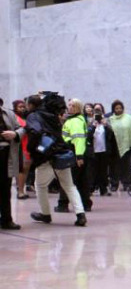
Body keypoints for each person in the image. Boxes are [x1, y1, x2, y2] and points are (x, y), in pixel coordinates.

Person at [26, 92, 87, 227]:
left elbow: (35, 132)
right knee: (69, 186)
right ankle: (80, 214)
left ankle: (45, 214)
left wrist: (31, 149)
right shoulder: (54, 117)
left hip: (45, 157)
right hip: (61, 155)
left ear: (30, 105)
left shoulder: (34, 116)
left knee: (40, 186)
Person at [56, 98, 92, 213]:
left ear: (78, 108)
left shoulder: (75, 121)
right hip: (78, 152)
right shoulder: (77, 119)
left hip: (74, 152)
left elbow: (78, 140)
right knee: (82, 180)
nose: (69, 107)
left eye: (73, 105)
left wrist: (79, 156)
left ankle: (63, 204)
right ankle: (86, 204)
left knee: (67, 179)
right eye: (69, 105)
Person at [1, 101, 23, 230]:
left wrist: (15, 134)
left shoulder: (8, 113)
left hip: (6, 156)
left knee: (5, 189)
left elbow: (21, 128)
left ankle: (6, 219)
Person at [108, 100, 131, 192]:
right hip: (114, 145)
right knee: (114, 166)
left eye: (120, 108)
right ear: (113, 109)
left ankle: (126, 183)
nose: (118, 110)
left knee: (126, 166)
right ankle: (114, 184)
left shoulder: (128, 118)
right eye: (116, 108)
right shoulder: (110, 119)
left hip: (126, 145)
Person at [88, 109, 116, 196]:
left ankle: (103, 189)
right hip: (94, 151)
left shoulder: (105, 125)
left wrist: (106, 125)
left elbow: (110, 136)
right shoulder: (91, 124)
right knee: (93, 171)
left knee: (103, 171)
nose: (98, 118)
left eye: (99, 115)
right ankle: (91, 188)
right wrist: (93, 126)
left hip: (104, 151)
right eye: (96, 116)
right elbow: (88, 137)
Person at [12, 100, 31, 200]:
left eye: (24, 107)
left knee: (25, 170)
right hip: (20, 147)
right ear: (15, 108)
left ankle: (21, 189)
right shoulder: (15, 118)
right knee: (21, 169)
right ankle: (20, 192)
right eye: (20, 107)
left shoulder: (25, 117)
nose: (22, 108)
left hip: (26, 146)